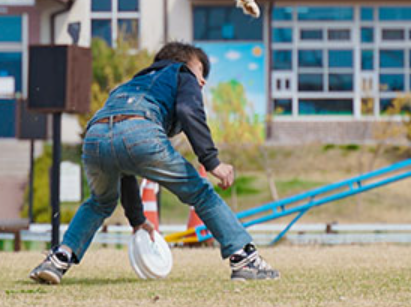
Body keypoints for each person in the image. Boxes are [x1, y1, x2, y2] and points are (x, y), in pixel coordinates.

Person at [29, 41, 278, 283]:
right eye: (201, 72)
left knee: (99, 202)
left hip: (95, 136)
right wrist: (212, 162)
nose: (201, 81)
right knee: (201, 193)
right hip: (140, 130)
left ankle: (58, 259)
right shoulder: (183, 73)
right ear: (189, 65)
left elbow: (122, 162)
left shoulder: (126, 86)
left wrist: (137, 220)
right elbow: (188, 111)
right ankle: (245, 259)